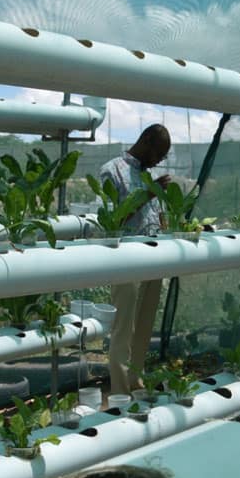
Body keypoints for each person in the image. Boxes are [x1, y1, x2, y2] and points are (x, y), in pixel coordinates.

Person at [101, 124, 171, 394]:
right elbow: (111, 221)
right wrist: (147, 195)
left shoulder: (147, 176)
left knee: (144, 326)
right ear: (147, 141)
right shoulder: (113, 170)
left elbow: (155, 218)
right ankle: (119, 390)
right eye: (159, 154)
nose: (158, 161)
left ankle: (136, 380)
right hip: (126, 260)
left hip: (153, 258)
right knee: (123, 328)